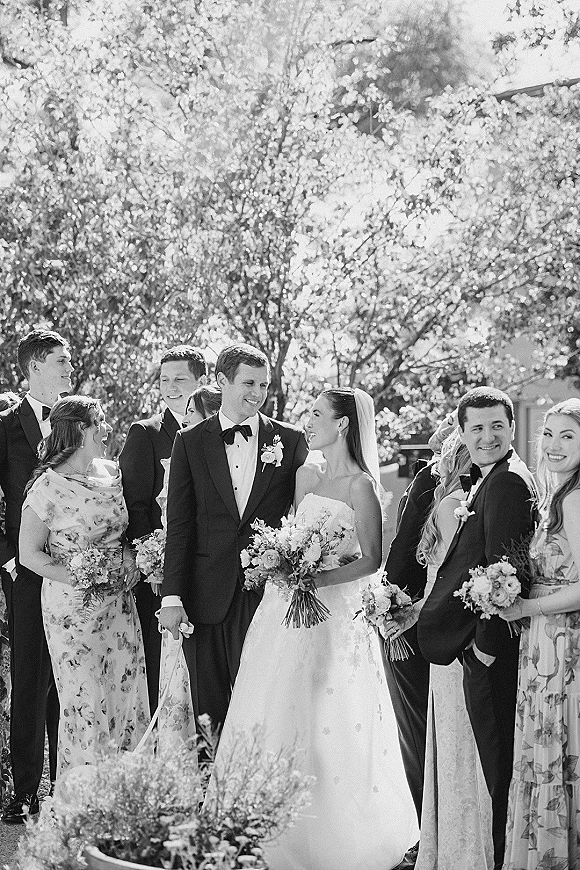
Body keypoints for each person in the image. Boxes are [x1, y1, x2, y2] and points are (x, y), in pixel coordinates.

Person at [207, 387, 418, 870]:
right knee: (272, 704)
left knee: (328, 715)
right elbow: (289, 534)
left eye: (318, 414)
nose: (309, 421)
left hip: (333, 615)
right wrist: (281, 564)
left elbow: (371, 559)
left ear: (343, 424)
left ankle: (333, 833)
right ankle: (260, 828)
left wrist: (315, 577)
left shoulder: (361, 486)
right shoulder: (306, 477)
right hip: (283, 611)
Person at [417, 387, 537, 870]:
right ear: (462, 433)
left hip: (489, 651)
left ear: (511, 428)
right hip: (475, 646)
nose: (487, 436)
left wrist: (483, 649)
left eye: (496, 427)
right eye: (477, 428)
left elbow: (507, 572)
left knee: (497, 769)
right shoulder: (491, 478)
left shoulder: (507, 481)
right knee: (494, 766)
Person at [160, 343, 309, 729]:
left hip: (265, 594)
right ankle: (212, 789)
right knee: (208, 713)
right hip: (203, 593)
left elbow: (304, 515)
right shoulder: (189, 442)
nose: (258, 394)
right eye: (248, 383)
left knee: (262, 707)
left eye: (263, 385)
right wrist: (172, 596)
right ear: (222, 381)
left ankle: (256, 789)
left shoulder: (290, 441)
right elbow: (179, 524)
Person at [19, 395, 149, 775]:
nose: (107, 429)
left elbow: (121, 533)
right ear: (78, 430)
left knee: (125, 692)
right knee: (85, 700)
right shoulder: (47, 485)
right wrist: (81, 576)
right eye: (100, 422)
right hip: (73, 610)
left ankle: (127, 792)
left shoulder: (111, 471)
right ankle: (83, 796)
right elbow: (30, 554)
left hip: (120, 606)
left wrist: (128, 558)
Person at [500, 398, 580, 870]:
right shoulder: (558, 492)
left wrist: (527, 605)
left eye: (568, 435)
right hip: (543, 641)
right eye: (548, 434)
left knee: (559, 753)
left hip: (563, 643)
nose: (553, 445)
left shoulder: (574, 497)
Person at [408, 430, 493, 870]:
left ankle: (460, 847)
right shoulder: (456, 505)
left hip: (450, 638)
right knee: (463, 744)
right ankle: (467, 849)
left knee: (458, 743)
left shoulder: (453, 503)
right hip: (459, 638)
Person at [0, 329, 71, 822]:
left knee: (68, 676)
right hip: (23, 571)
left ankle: (65, 790)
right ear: (35, 367)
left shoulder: (77, 418)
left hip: (72, 571)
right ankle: (25, 792)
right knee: (29, 680)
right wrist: (8, 557)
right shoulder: (4, 426)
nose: (70, 371)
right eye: (62, 364)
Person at [382, 409, 457, 846]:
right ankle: (423, 827)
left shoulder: (439, 481)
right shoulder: (437, 479)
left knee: (417, 732)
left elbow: (409, 546)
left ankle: (424, 830)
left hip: (411, 619)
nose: (439, 428)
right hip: (405, 614)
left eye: (450, 421)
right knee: (414, 732)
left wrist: (394, 604)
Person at [120, 345, 207, 710]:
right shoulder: (145, 433)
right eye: (164, 380)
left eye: (180, 379)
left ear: (201, 381)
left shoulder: (220, 431)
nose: (170, 387)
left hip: (209, 569)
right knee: (164, 668)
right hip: (160, 573)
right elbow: (135, 505)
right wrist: (152, 560)